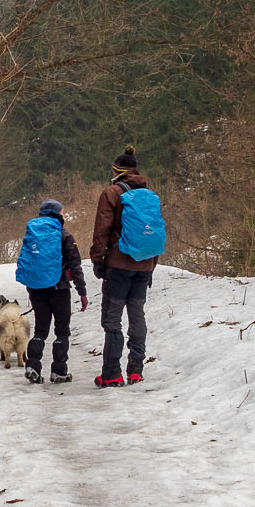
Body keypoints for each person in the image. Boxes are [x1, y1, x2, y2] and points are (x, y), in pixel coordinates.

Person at [89, 145, 165, 387]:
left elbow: (102, 231)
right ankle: (135, 370)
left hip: (118, 266)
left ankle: (111, 374)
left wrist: (97, 259)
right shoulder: (150, 195)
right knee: (137, 316)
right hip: (144, 266)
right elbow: (155, 233)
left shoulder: (111, 193)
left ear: (116, 171)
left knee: (112, 320)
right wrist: (152, 264)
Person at [13, 198, 88, 384]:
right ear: (56, 213)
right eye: (63, 212)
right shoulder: (64, 235)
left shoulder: (33, 233)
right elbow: (75, 265)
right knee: (62, 331)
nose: (64, 215)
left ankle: (33, 366)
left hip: (37, 290)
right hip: (59, 289)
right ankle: (59, 372)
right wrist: (82, 291)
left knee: (40, 330)